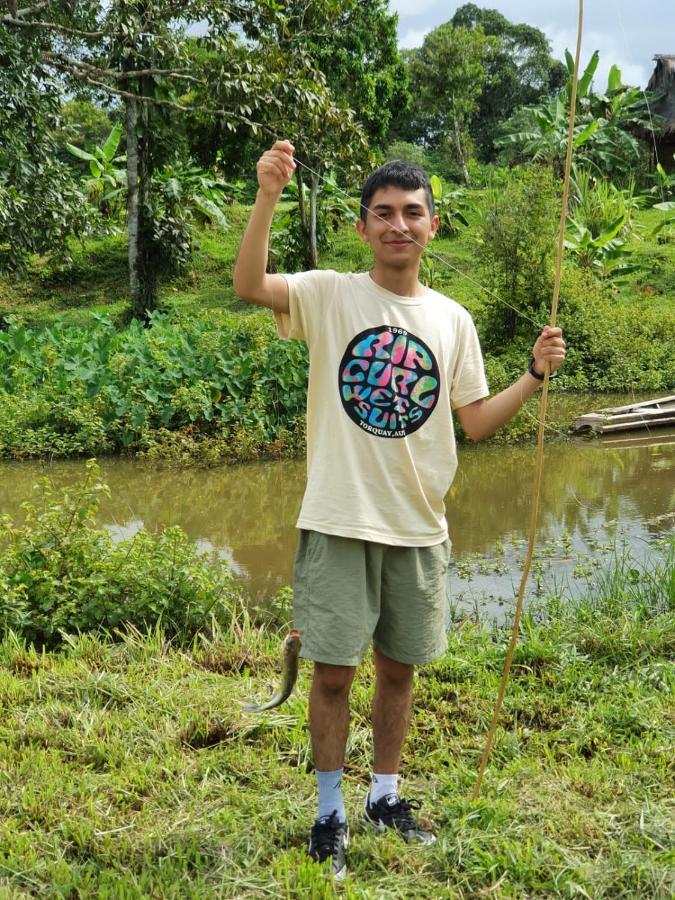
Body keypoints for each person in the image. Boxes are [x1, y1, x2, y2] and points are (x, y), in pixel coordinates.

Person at [233, 140, 566, 880]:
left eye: (412, 213)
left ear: (433, 227)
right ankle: (329, 813)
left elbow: (473, 422)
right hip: (338, 517)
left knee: (399, 671)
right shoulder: (329, 294)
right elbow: (251, 283)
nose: (398, 225)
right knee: (330, 676)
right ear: (362, 228)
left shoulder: (453, 319)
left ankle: (385, 796)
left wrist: (534, 377)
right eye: (382, 213)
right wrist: (266, 195)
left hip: (419, 526)